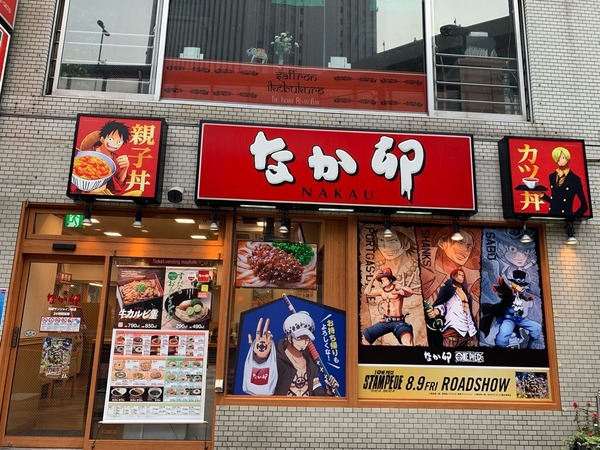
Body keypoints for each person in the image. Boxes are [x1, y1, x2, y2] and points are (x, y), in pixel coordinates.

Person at [243, 312, 339, 396]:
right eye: (299, 338)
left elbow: (317, 392)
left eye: (307, 338)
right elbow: (258, 385)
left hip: (306, 409)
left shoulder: (311, 363)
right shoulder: (275, 359)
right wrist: (260, 357)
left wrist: (329, 392)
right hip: (280, 409)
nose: (304, 342)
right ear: (289, 338)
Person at [479, 270, 542, 349]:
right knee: (503, 336)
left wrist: (526, 299)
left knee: (537, 327)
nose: (522, 287)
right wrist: (506, 290)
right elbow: (505, 298)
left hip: (519, 318)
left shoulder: (518, 294)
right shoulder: (509, 294)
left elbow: (520, 297)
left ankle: (530, 345)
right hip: (509, 319)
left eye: (522, 285)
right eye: (519, 285)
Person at [361, 268, 419, 346]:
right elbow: (367, 292)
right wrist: (373, 278)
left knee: (407, 341)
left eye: (385, 280)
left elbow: (405, 292)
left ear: (390, 280)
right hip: (386, 321)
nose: (383, 282)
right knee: (365, 337)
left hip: (398, 322)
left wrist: (406, 291)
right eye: (382, 280)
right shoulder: (381, 291)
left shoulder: (397, 288)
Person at [426, 268, 478, 347]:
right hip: (454, 331)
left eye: (463, 276)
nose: (461, 277)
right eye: (459, 275)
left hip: (470, 333)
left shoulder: (467, 295)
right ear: (453, 276)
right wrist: (434, 312)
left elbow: (469, 313)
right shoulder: (446, 290)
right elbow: (441, 306)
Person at [79, 120, 132, 195]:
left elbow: (118, 184)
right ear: (102, 139)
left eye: (119, 142)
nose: (114, 144)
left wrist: (125, 169)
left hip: (103, 193)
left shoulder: (115, 159)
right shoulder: (87, 153)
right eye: (110, 139)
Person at [541, 146, 588, 216]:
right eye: (558, 158)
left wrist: (572, 217)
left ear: (568, 159)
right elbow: (555, 201)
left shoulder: (575, 179)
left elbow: (584, 206)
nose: (560, 161)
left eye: (563, 158)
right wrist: (542, 195)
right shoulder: (552, 176)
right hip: (551, 215)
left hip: (566, 216)